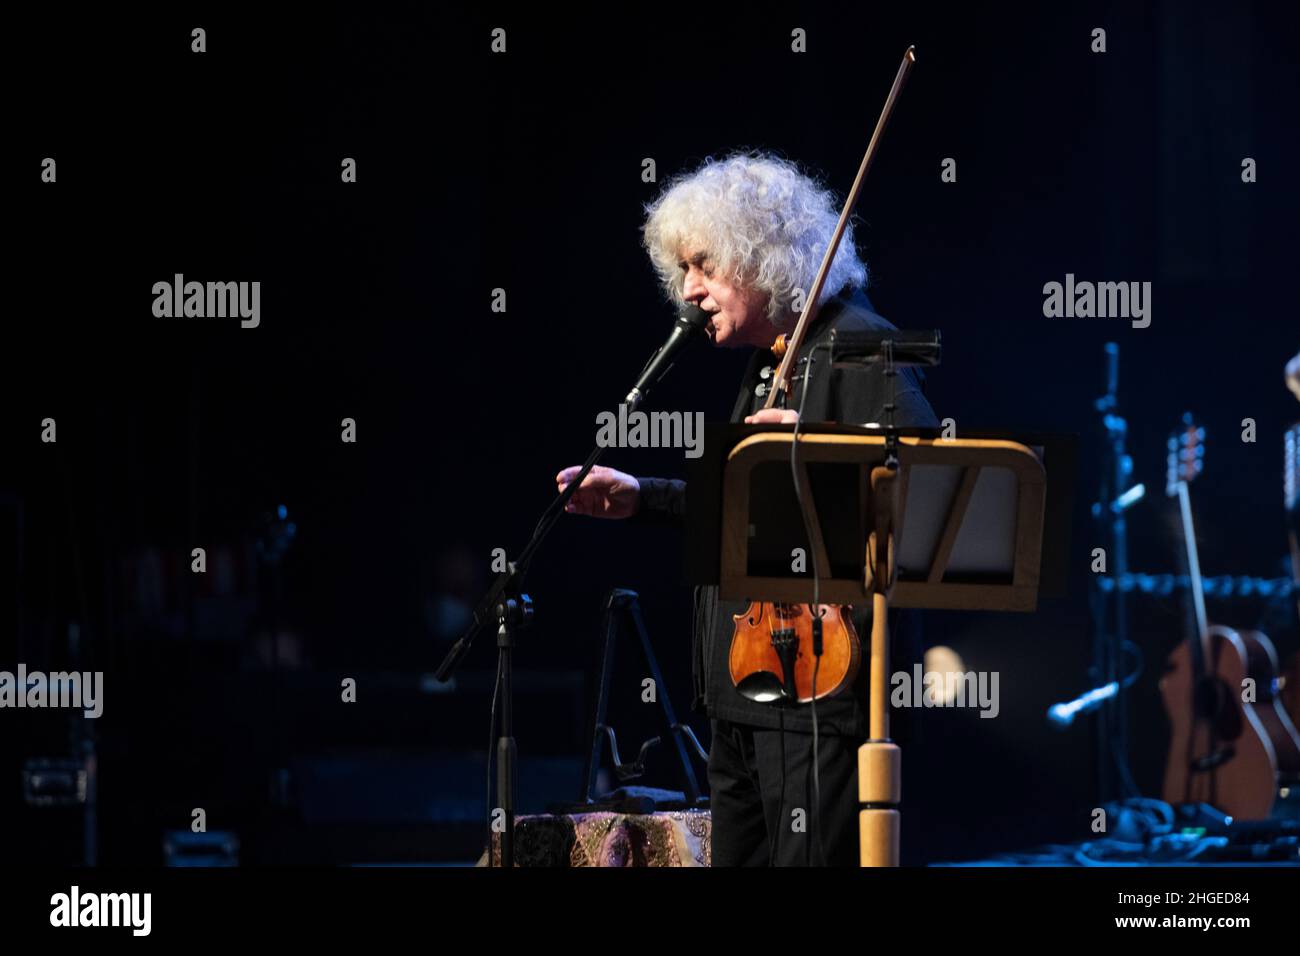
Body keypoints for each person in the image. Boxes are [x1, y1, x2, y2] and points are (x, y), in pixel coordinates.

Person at [555, 152, 939, 866]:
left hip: (814, 689)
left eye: (704, 265)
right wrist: (644, 498)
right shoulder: (773, 362)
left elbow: (917, 480)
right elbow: (748, 511)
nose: (689, 290)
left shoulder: (857, 344)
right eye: (683, 272)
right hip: (744, 684)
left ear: (757, 255)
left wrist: (812, 444)